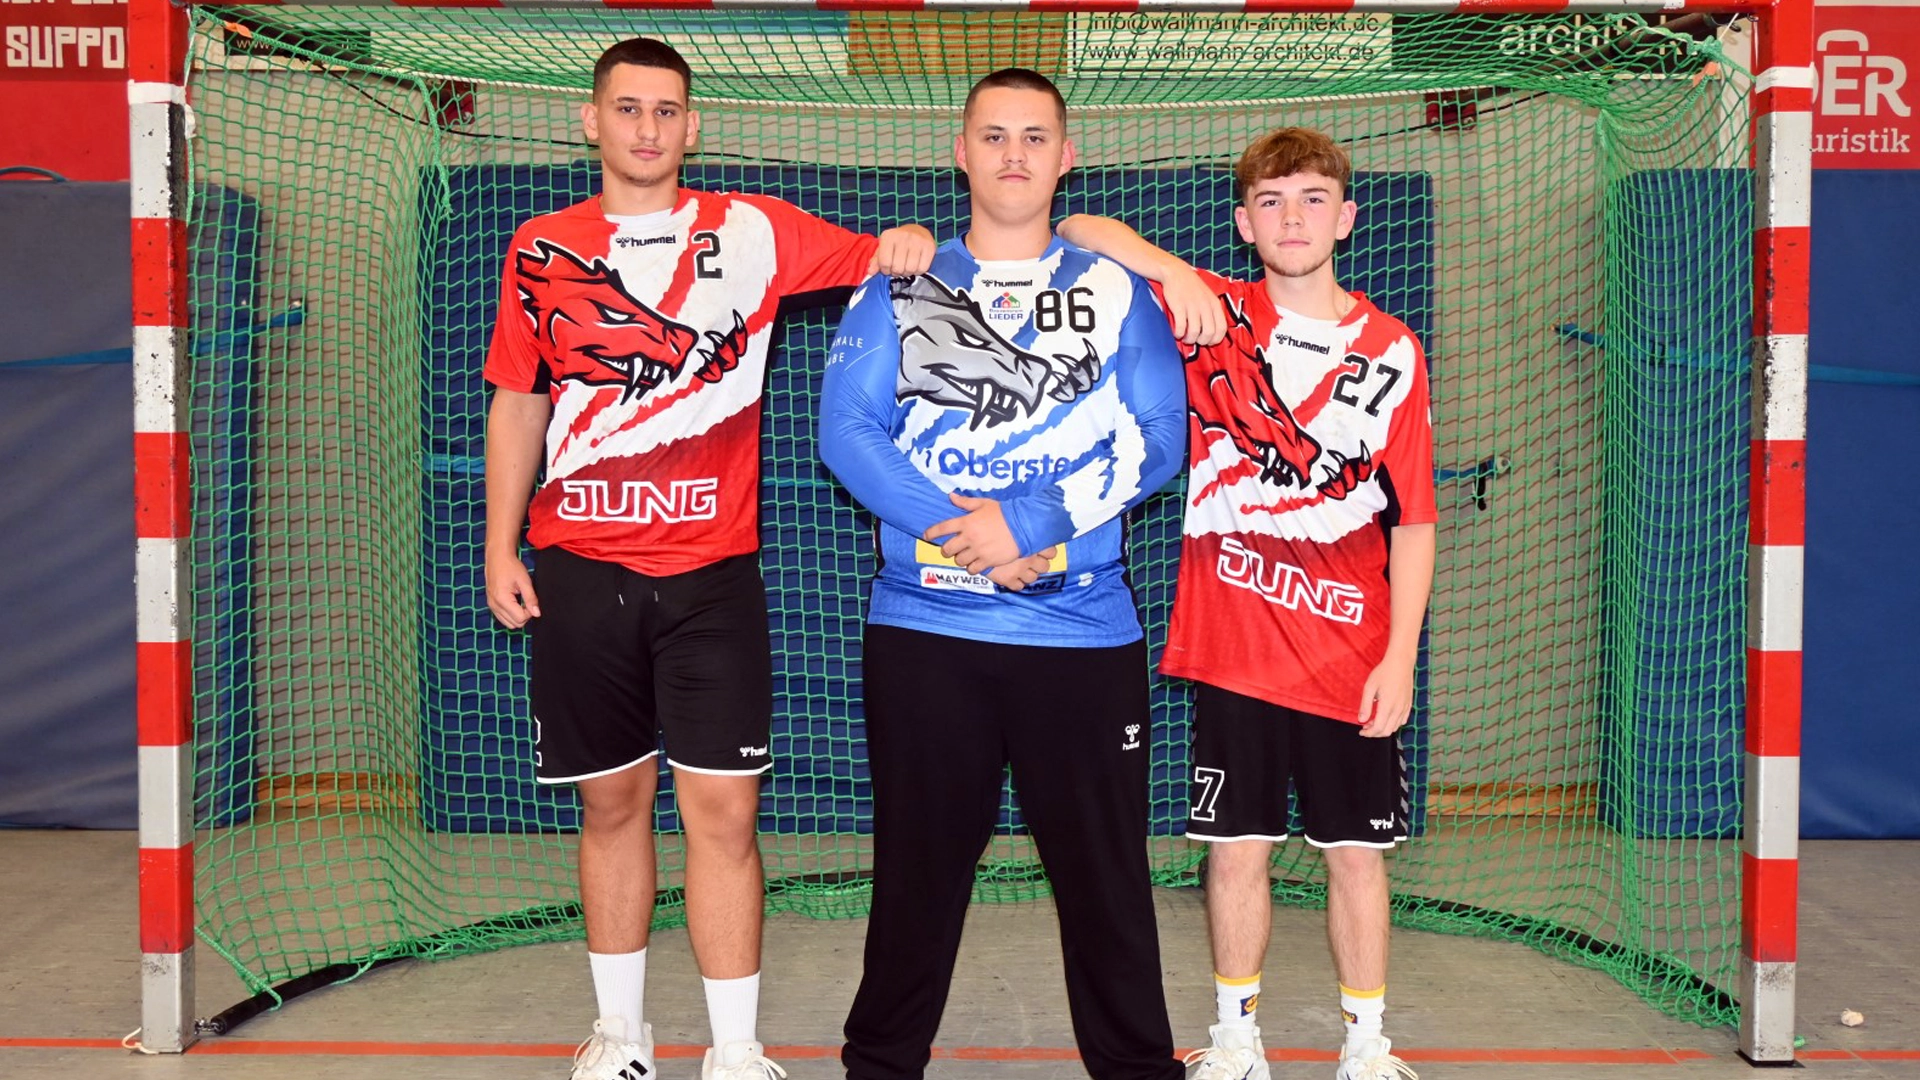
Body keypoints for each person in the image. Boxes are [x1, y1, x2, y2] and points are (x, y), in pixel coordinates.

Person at [482, 37, 940, 1080]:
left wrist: (905, 238)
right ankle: (622, 1036)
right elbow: (520, 401)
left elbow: (881, 254)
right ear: (591, 121)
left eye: (666, 111)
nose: (647, 128)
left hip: (711, 577)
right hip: (580, 567)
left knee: (725, 814)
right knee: (611, 805)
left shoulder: (754, 230)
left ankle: (736, 1049)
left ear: (692, 127)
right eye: (627, 108)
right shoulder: (541, 246)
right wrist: (501, 543)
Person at [818, 68, 1191, 1080]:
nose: (1014, 154)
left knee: (1108, 884)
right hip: (927, 631)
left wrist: (1027, 522)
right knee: (915, 879)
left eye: (1034, 136)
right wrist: (968, 533)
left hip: (1082, 634)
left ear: (1067, 156)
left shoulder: (1115, 289)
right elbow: (846, 431)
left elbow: (1160, 434)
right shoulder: (902, 284)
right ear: (961, 152)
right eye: (993, 136)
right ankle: (879, 1068)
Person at [1062, 127, 1437, 1080]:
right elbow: (1078, 226)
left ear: (1347, 219)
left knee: (1356, 856)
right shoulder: (1213, 314)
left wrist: (1399, 656)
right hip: (1237, 646)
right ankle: (1236, 1041)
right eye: (1270, 201)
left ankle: (1367, 1046)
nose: (1292, 218)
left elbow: (1415, 523)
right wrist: (1170, 272)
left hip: (1351, 654)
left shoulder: (1393, 351)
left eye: (1313, 199)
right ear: (1243, 222)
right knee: (1235, 852)